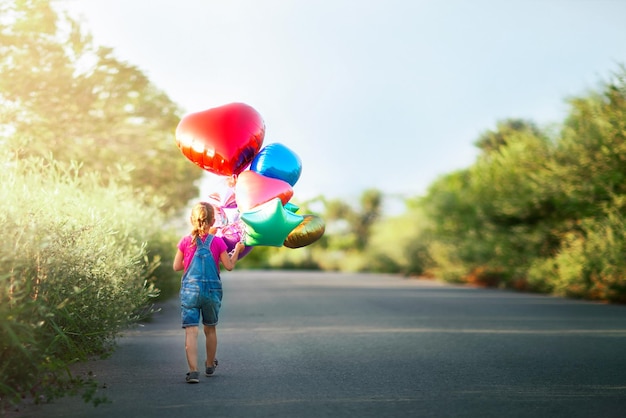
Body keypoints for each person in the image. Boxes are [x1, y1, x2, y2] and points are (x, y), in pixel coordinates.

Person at [173, 201, 245, 383]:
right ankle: (210, 364)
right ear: (213, 221)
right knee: (210, 329)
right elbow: (229, 266)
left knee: (191, 331)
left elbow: (176, 267)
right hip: (212, 290)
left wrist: (190, 260)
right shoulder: (218, 242)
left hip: (190, 289)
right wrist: (236, 250)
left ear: (191, 220)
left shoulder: (185, 241)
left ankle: (193, 371)